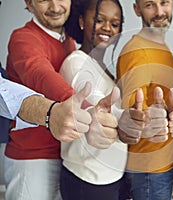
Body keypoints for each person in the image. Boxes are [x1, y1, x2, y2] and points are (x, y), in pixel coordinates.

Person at [4, 0, 118, 199]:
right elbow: (40, 74)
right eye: (43, 0)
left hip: (64, 156)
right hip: (32, 158)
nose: (55, 7)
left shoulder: (67, 41)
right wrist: (83, 107)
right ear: (29, 4)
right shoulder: (23, 38)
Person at [116, 0, 173, 199]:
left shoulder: (159, 45)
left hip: (161, 164)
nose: (159, 12)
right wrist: (146, 117)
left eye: (164, 3)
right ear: (136, 9)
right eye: (150, 5)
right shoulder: (137, 52)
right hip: (149, 170)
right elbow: (131, 114)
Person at [58, 0, 127, 199]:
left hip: (110, 177)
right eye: (99, 20)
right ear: (81, 21)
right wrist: (131, 118)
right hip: (87, 179)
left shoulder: (104, 68)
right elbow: (97, 104)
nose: (107, 28)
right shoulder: (76, 63)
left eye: (115, 24)